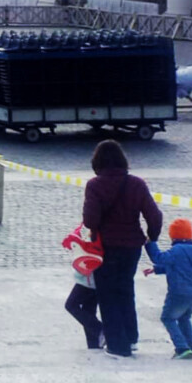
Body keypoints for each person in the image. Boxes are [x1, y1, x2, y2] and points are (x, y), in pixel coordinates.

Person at [82, 140, 163, 358]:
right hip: (132, 246)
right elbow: (155, 215)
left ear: (97, 162)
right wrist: (151, 237)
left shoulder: (95, 185)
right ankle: (131, 336)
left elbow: (90, 220)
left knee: (107, 294)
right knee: (126, 290)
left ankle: (118, 344)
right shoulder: (136, 183)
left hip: (105, 246)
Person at [144, 217, 192, 359]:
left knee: (168, 318)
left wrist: (150, 243)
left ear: (173, 236)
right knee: (184, 318)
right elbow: (179, 267)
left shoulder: (177, 251)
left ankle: (182, 348)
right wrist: (156, 270)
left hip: (178, 292)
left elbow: (159, 257)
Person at [62, 224, 104, 351]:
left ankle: (100, 330)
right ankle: (94, 345)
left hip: (88, 278)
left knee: (71, 305)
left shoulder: (97, 229)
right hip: (94, 277)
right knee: (88, 310)